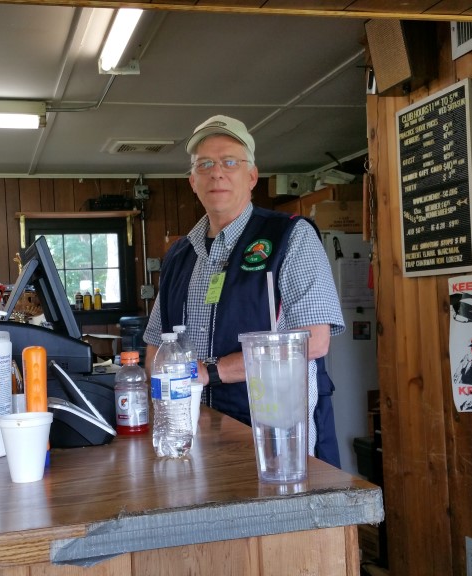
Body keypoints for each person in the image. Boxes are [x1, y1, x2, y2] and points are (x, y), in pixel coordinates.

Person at [144, 115, 345, 467]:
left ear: (251, 176)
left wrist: (212, 371)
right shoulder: (178, 255)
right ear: (192, 181)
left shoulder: (291, 236)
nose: (216, 173)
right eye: (205, 164)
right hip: (193, 437)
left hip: (277, 437)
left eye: (229, 162)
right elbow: (155, 350)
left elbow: (314, 341)